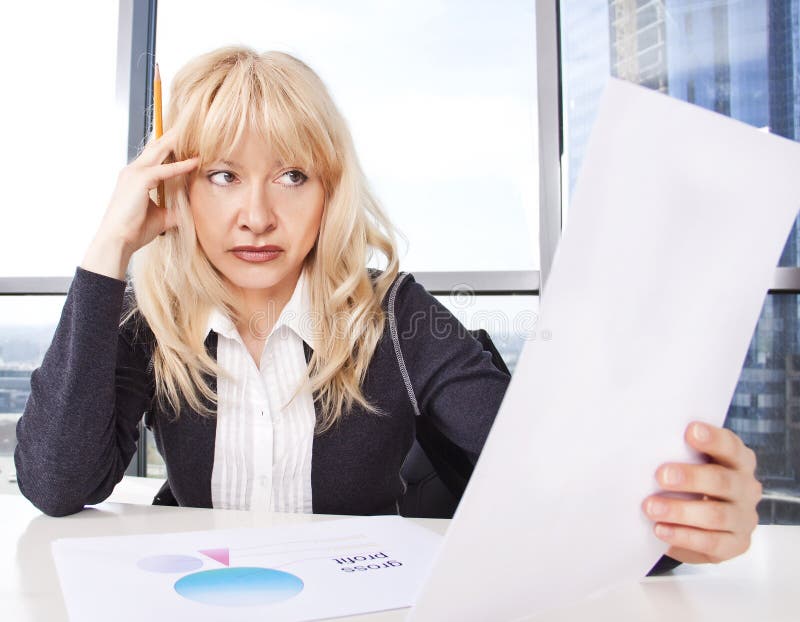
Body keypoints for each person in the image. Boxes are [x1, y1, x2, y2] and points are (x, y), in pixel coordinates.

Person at [14, 46, 761, 569]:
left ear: (330, 191)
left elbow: (536, 477)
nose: (256, 215)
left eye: (293, 176)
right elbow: (54, 483)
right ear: (177, 188)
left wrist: (675, 528)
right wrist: (108, 247)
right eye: (221, 176)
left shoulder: (397, 315)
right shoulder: (156, 319)